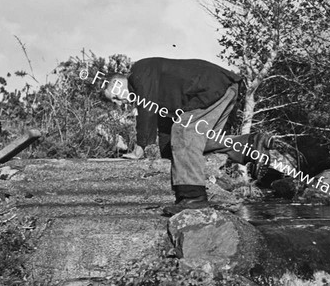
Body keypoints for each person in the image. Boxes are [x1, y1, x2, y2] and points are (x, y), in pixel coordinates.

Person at [102, 57, 273, 215]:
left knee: (185, 132)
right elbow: (165, 129)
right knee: (196, 140)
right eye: (114, 102)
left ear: (117, 82)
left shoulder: (139, 71)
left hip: (210, 86)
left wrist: (139, 148)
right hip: (224, 88)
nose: (118, 103)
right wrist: (170, 157)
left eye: (115, 96)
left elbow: (146, 111)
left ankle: (193, 197)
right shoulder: (155, 90)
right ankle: (250, 144)